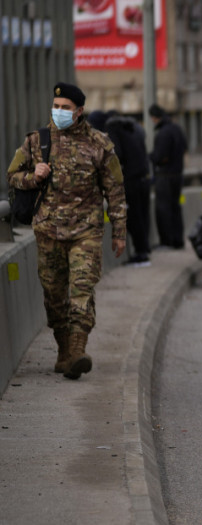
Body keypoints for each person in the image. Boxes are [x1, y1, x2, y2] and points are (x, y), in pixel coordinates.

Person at [6, 82, 127, 379]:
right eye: (56, 106)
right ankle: (64, 353)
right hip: (48, 231)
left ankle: (77, 351)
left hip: (86, 231)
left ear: (80, 111)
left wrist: (120, 232)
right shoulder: (37, 141)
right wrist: (33, 177)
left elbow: (116, 191)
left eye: (65, 108)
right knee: (54, 296)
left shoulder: (100, 144)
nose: (59, 112)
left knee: (82, 289)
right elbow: (12, 176)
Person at [104, 111, 152, 266]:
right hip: (143, 178)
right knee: (143, 216)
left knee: (132, 217)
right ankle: (145, 249)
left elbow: (117, 154)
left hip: (130, 180)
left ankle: (141, 255)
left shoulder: (112, 129)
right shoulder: (135, 128)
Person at [148, 104, 187, 249]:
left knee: (163, 209)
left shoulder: (163, 133)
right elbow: (184, 148)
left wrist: (151, 157)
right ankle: (178, 240)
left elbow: (161, 156)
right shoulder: (176, 129)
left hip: (165, 176)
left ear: (155, 117)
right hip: (178, 175)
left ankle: (167, 241)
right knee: (175, 208)